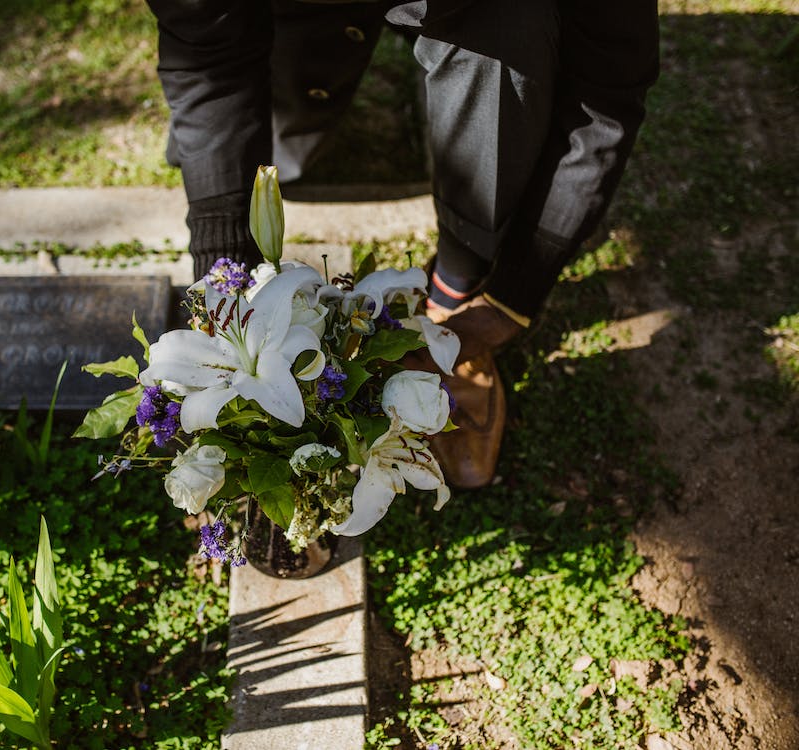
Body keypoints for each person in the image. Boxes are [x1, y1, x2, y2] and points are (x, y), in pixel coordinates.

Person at [144, 0, 660, 488]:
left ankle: (455, 290)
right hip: (291, 29)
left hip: (480, 25)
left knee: (512, 25)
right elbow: (208, 59)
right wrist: (224, 288)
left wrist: (510, 297)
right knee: (258, 134)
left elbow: (606, 90)